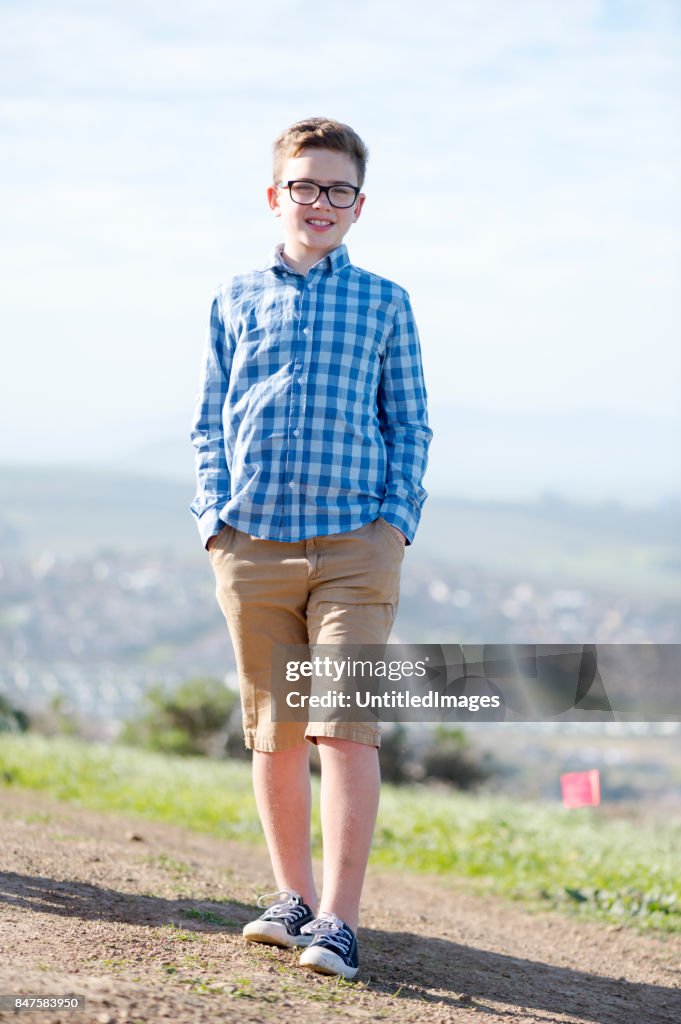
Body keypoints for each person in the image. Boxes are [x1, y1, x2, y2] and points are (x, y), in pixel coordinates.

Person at [190, 116, 431, 980]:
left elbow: (409, 424)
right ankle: (290, 900)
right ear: (274, 195)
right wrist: (213, 519)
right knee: (277, 732)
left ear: (358, 206)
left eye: (337, 189)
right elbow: (208, 420)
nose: (319, 201)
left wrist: (393, 522)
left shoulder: (385, 304)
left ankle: (338, 921)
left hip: (354, 548)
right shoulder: (232, 298)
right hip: (250, 544)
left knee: (345, 732)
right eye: (304, 185)